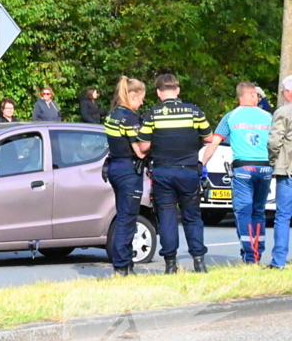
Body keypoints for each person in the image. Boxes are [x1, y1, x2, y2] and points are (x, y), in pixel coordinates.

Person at [137, 74, 216, 274]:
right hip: (188, 171)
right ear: (177, 90)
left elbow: (144, 146)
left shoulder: (153, 114)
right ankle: (199, 262)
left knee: (167, 217)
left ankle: (170, 265)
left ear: (158, 92)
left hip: (163, 172)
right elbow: (208, 138)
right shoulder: (194, 112)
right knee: (192, 217)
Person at [207, 82, 274, 264]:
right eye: (257, 95)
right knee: (258, 211)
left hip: (243, 168)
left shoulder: (231, 116)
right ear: (252, 94)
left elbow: (214, 142)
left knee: (243, 212)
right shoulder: (268, 116)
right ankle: (258, 252)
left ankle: (249, 256)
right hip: (265, 168)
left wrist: (201, 164)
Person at [103, 77, 147, 276]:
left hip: (114, 167)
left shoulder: (112, 114)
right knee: (127, 218)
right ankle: (122, 266)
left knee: (123, 215)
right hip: (128, 170)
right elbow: (139, 152)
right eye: (141, 99)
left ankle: (125, 263)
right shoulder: (129, 117)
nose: (142, 103)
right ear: (133, 95)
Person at [267, 75, 292, 269]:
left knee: (283, 216)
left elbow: (274, 142)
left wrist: (275, 161)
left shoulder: (284, 112)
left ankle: (279, 261)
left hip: (288, 170)